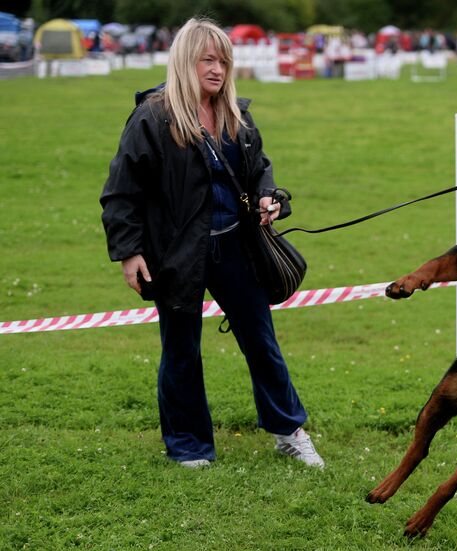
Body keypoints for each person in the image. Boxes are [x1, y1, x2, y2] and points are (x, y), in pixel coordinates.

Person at [100, 17, 323, 469]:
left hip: (236, 247)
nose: (218, 69)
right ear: (186, 61)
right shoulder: (153, 118)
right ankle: (189, 446)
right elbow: (121, 192)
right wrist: (128, 252)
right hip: (177, 254)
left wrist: (269, 195)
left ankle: (288, 431)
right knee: (181, 350)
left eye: (224, 60)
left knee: (262, 343)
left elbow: (259, 167)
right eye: (208, 59)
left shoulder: (235, 115)